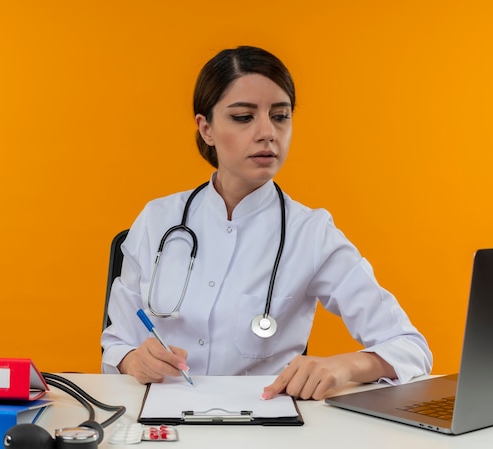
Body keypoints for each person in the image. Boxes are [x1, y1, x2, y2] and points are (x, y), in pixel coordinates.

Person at [101, 45, 432, 400]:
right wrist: (134, 360)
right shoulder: (157, 220)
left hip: (263, 421)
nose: (267, 132)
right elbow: (117, 342)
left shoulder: (312, 233)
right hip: (162, 418)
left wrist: (345, 366)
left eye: (280, 116)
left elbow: (411, 348)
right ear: (206, 129)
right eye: (243, 117)